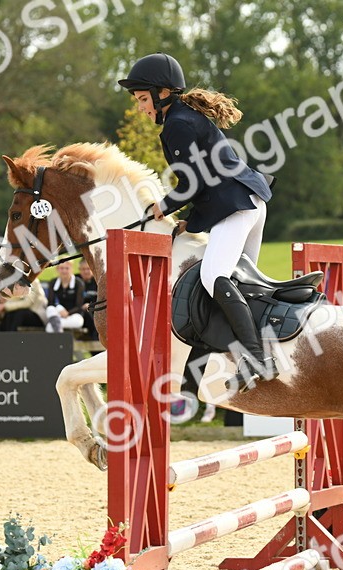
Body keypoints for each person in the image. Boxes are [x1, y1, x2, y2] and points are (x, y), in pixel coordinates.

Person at [120, 52, 275, 391]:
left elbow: (192, 184)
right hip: (247, 202)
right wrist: (188, 223)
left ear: (163, 93)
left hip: (235, 207)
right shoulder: (186, 116)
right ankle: (206, 371)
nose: (141, 108)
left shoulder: (177, 123)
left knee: (213, 276)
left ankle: (257, 357)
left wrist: (163, 206)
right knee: (234, 284)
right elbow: (205, 180)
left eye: (143, 99)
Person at [44, 262, 86, 333]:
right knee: (50, 309)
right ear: (57, 269)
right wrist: (59, 308)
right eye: (61, 268)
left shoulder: (79, 283)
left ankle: (56, 326)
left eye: (67, 268)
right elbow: (50, 302)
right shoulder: (53, 282)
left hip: (74, 315)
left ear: (71, 269)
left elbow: (79, 306)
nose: (64, 271)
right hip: (58, 314)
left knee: (79, 321)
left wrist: (68, 313)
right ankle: (58, 330)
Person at [77, 259, 99, 339]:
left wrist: (91, 305)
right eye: (83, 269)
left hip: (95, 310)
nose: (86, 271)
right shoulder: (76, 280)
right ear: (79, 270)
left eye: (88, 269)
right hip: (78, 311)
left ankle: (97, 339)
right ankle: (96, 339)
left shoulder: (98, 281)